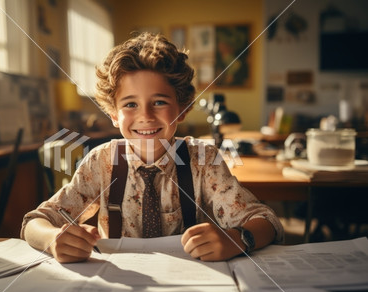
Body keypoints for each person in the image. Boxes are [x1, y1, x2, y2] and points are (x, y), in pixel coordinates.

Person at [21, 32, 283, 263]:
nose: (145, 115)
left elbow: (266, 221)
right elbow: (34, 222)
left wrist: (236, 238)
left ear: (182, 109)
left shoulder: (204, 160)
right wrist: (53, 239)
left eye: (158, 102)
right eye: (130, 104)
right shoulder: (100, 163)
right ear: (114, 114)